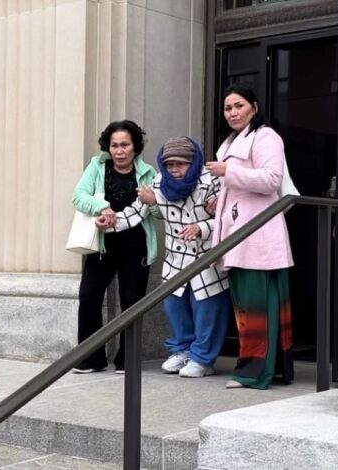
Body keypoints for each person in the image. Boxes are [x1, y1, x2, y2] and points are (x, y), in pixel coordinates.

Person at [104, 137, 232, 378]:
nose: (174, 169)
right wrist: (111, 223)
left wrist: (201, 227)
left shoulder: (212, 181)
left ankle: (203, 358)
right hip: (175, 257)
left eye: (181, 164)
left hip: (206, 257)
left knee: (207, 308)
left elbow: (231, 215)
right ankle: (182, 350)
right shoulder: (159, 181)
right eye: (170, 164)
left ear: (193, 162)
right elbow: (137, 211)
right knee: (175, 306)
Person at [205, 84, 295, 390]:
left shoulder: (266, 136)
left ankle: (253, 372)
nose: (232, 113)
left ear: (254, 107)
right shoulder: (232, 142)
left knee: (257, 308)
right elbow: (242, 187)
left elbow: (271, 180)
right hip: (241, 236)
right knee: (250, 307)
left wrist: (228, 171)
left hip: (258, 237)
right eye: (228, 108)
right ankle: (271, 369)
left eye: (238, 106)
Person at [71, 120, 158, 374]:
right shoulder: (97, 167)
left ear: (135, 147)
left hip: (135, 245)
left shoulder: (148, 173)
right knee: (88, 296)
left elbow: (159, 212)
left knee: (132, 301)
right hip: (103, 243)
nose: (119, 151)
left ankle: (126, 359)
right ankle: (91, 358)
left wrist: (152, 201)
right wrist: (102, 208)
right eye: (115, 145)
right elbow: (79, 196)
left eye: (125, 145)